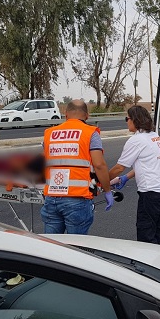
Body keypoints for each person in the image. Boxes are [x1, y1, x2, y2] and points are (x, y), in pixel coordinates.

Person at [41, 99, 113, 234]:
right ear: (87, 116)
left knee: (51, 246)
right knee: (77, 248)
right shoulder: (90, 133)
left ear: (66, 114)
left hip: (52, 198)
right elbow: (99, 165)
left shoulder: (49, 133)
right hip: (77, 199)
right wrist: (107, 190)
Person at [109, 105, 160, 245]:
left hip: (151, 195)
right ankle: (159, 262)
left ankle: (148, 264)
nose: (126, 121)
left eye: (127, 118)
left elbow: (119, 167)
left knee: (146, 238)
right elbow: (147, 164)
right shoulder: (154, 136)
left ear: (135, 120)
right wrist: (126, 177)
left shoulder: (136, 140)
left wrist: (101, 181)